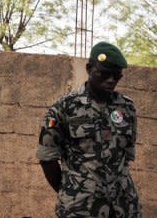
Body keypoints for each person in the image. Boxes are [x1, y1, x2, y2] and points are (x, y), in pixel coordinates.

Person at [36, 42, 142, 217]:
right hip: (80, 208)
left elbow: (126, 157)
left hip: (124, 207)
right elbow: (47, 158)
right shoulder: (63, 108)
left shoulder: (127, 108)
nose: (111, 80)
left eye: (116, 76)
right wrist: (71, 191)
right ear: (89, 68)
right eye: (105, 74)